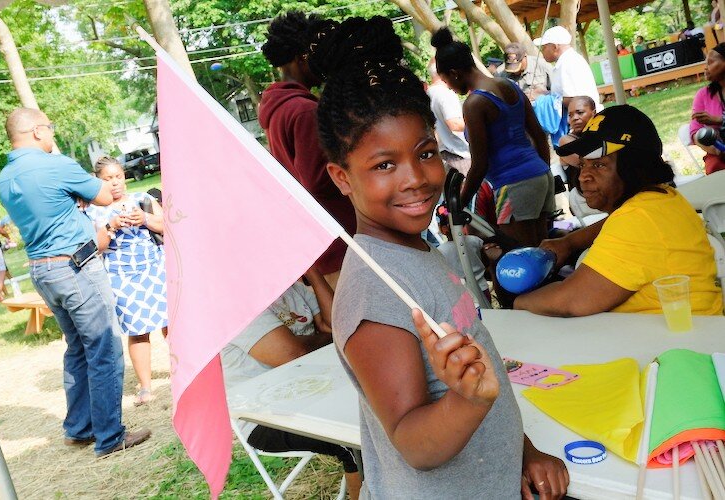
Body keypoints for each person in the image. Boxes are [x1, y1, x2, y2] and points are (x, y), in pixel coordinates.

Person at [310, 16, 568, 499]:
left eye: (425, 153)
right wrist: (468, 403)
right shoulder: (373, 293)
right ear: (342, 179)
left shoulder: (419, 251)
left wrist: (524, 450)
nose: (415, 178)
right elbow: (414, 443)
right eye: (384, 165)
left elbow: (481, 372)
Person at [0, 108, 150, 457]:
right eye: (49, 128)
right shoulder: (54, 164)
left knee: (78, 348)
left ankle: (79, 428)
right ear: (37, 131)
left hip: (42, 270)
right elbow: (104, 195)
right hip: (76, 266)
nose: (51, 134)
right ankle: (110, 436)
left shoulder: (6, 176)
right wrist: (77, 191)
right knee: (104, 347)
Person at [514, 105, 723, 316]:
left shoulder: (636, 219)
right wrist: (570, 242)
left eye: (599, 165)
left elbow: (571, 301)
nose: (582, 176)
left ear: (634, 167)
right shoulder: (661, 198)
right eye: (583, 165)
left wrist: (519, 304)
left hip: (675, 342)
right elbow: (616, 221)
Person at [221, 266, 361, 499]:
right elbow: (292, 353)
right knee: (354, 438)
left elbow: (337, 324)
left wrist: (314, 271)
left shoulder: (291, 287)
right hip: (264, 417)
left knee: (371, 413)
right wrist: (328, 337)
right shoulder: (236, 303)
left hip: (314, 393)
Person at [258, 11, 356, 288]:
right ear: (301, 57)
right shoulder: (303, 110)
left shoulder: (279, 106)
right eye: (314, 54)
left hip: (320, 236)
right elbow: (316, 179)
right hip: (338, 238)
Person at [431, 27, 554, 249]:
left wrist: (458, 203)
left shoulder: (475, 104)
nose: (448, 86)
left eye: (446, 80)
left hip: (513, 183)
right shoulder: (509, 86)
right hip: (539, 175)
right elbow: (538, 134)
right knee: (543, 252)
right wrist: (540, 169)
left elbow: (480, 164)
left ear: (455, 73)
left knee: (519, 260)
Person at [85, 157, 168, 406]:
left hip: (155, 269)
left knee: (172, 323)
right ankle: (145, 386)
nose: (114, 183)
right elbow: (96, 246)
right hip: (121, 276)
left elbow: (166, 226)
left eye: (118, 176)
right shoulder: (92, 211)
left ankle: (185, 369)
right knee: (138, 331)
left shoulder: (143, 198)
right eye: (107, 179)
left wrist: (143, 219)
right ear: (97, 181)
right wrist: (111, 226)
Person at [534, 26, 602, 112]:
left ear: (555, 47)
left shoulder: (569, 62)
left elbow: (574, 100)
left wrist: (542, 99)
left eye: (544, 47)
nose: (542, 51)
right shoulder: (566, 61)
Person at [426, 61, 471, 175]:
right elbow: (454, 124)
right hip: (460, 155)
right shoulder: (445, 93)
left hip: (447, 153)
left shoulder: (429, 93)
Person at [691, 43, 725, 174]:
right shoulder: (703, 95)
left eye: (710, 62)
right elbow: (695, 132)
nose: (705, 67)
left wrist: (719, 120)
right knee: (714, 167)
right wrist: (718, 150)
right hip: (718, 155)